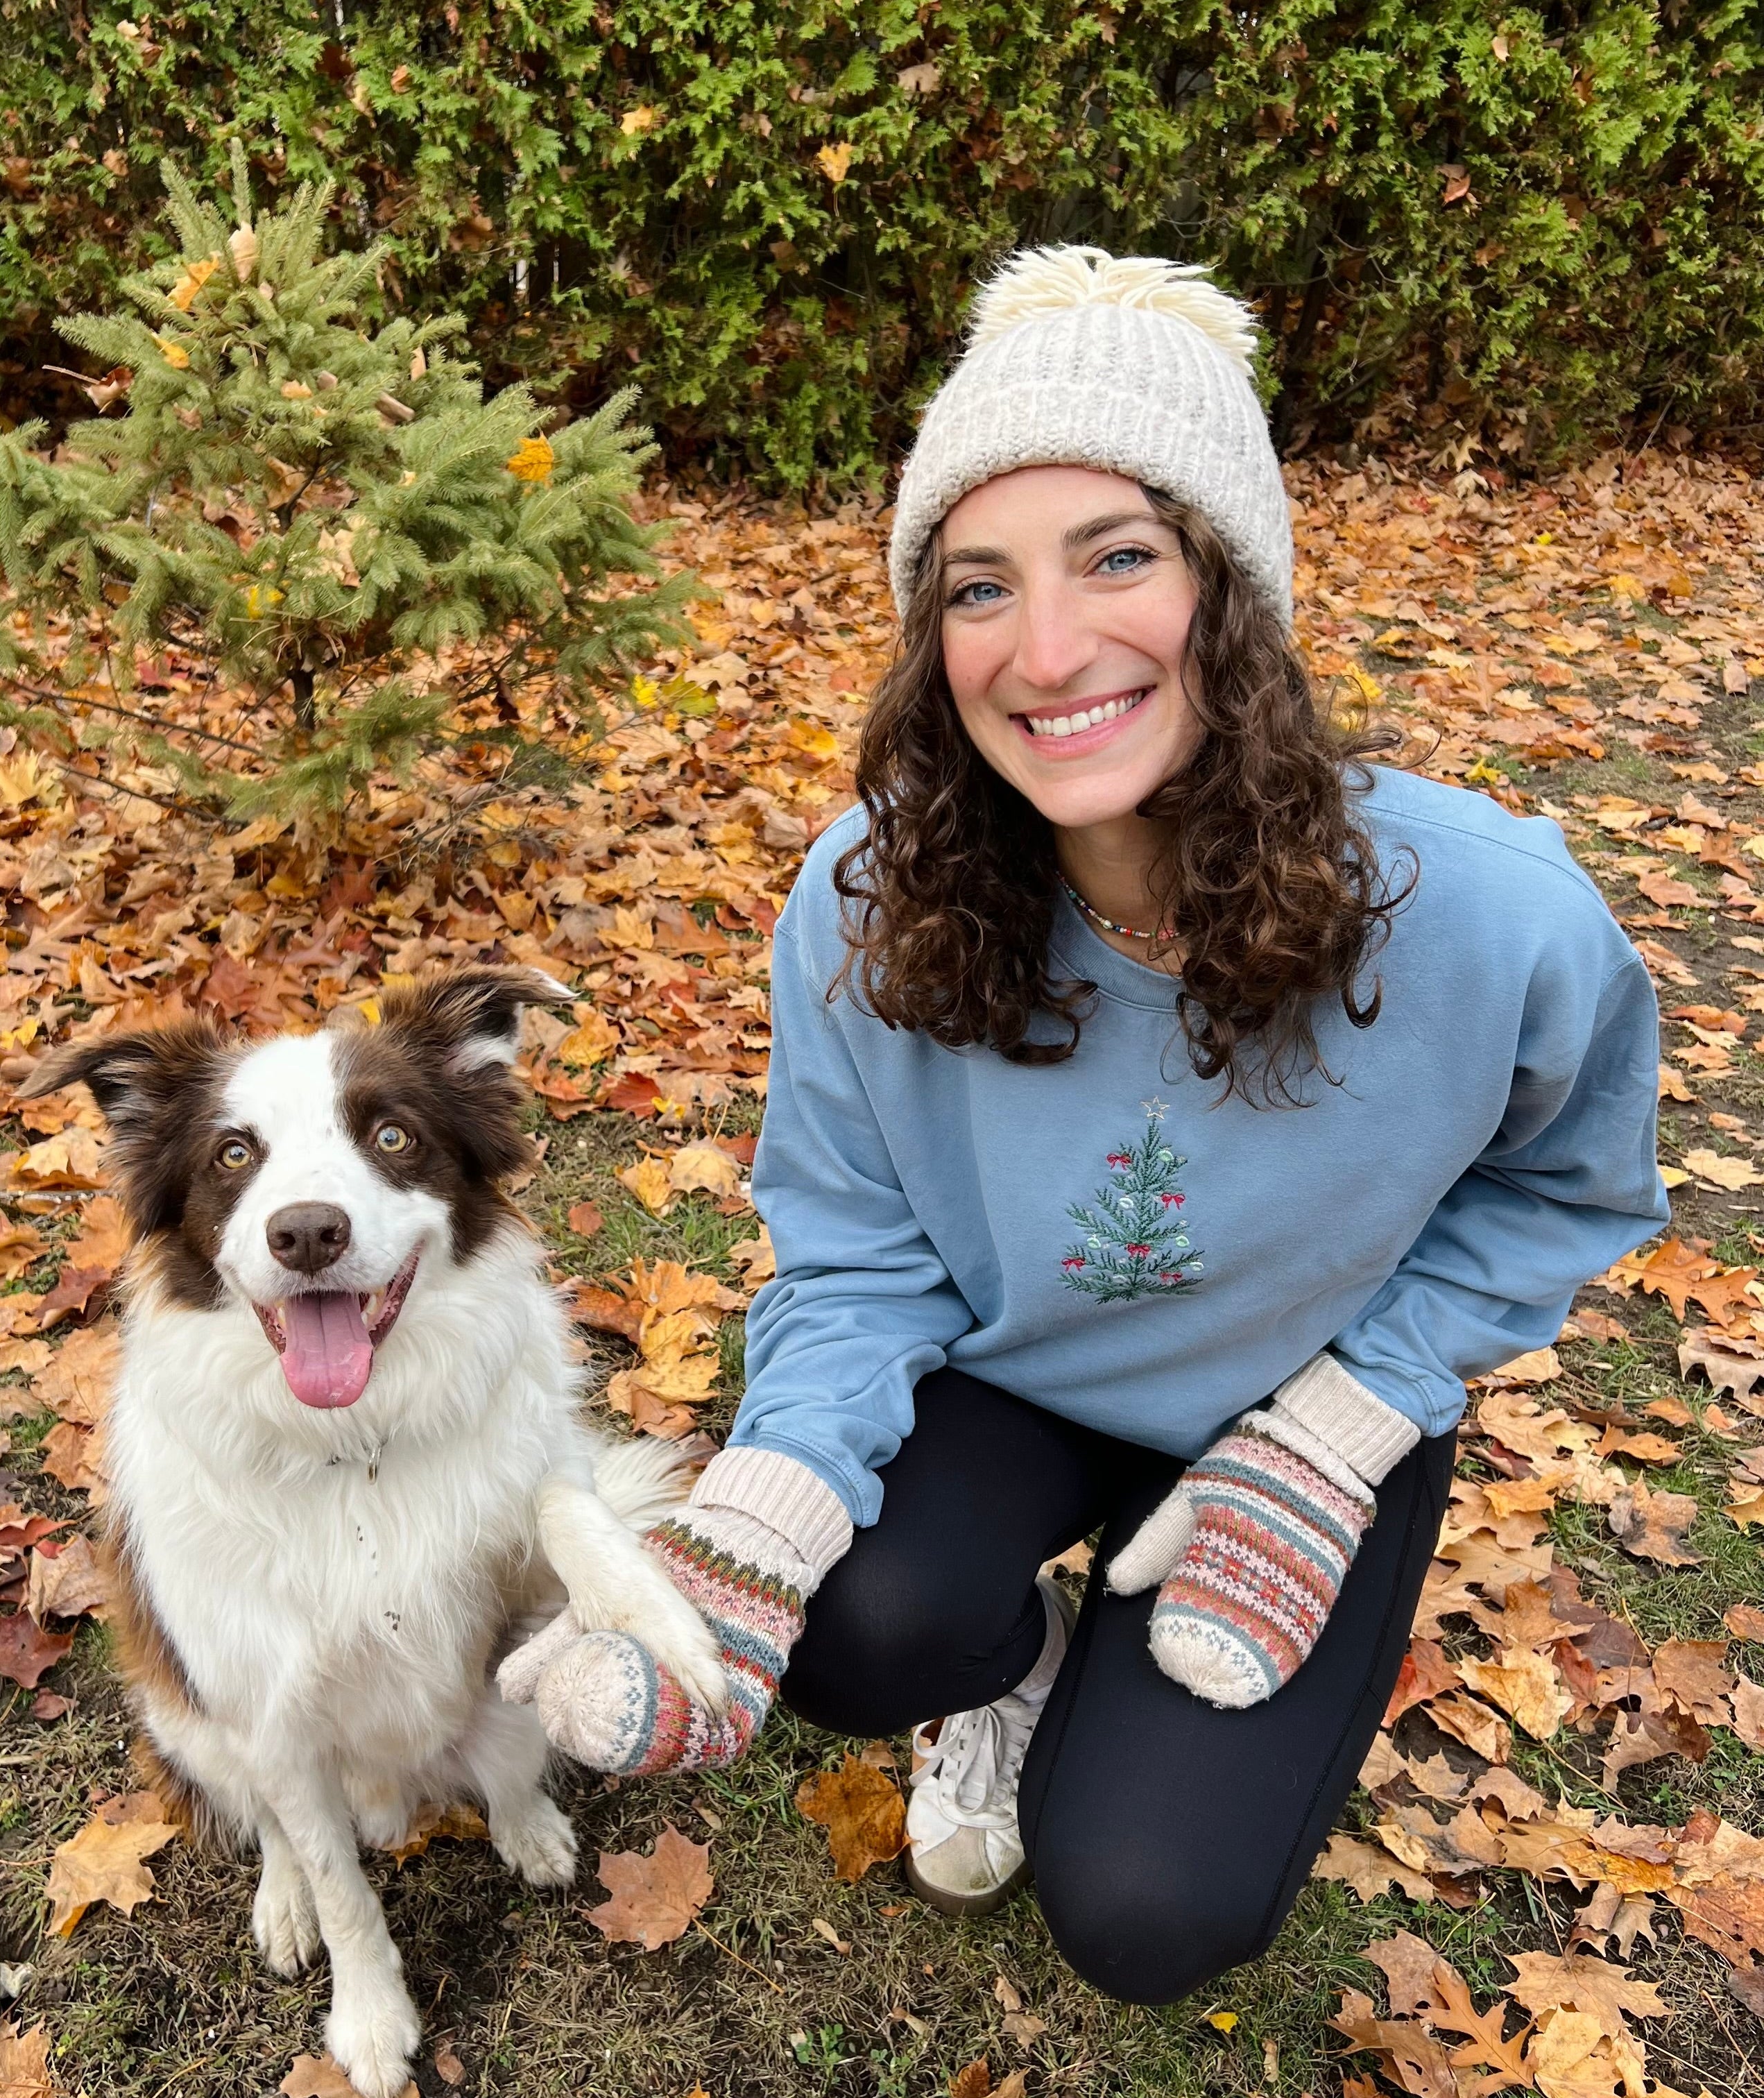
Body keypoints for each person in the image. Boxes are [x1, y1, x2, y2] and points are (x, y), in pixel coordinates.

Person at [498, 248, 1667, 2004]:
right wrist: (769, 1505)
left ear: (1231, 589)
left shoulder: (1495, 918)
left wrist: (1343, 1430)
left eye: (1118, 556)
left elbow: (1565, 1189)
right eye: (980, 587)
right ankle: (1017, 1657)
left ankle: (1229, 1568)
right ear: (932, 636)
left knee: (1145, 1908)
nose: (1048, 651)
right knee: (854, 1627)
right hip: (1014, 1380)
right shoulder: (867, 903)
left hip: (1312, 1396)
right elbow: (854, 1237)